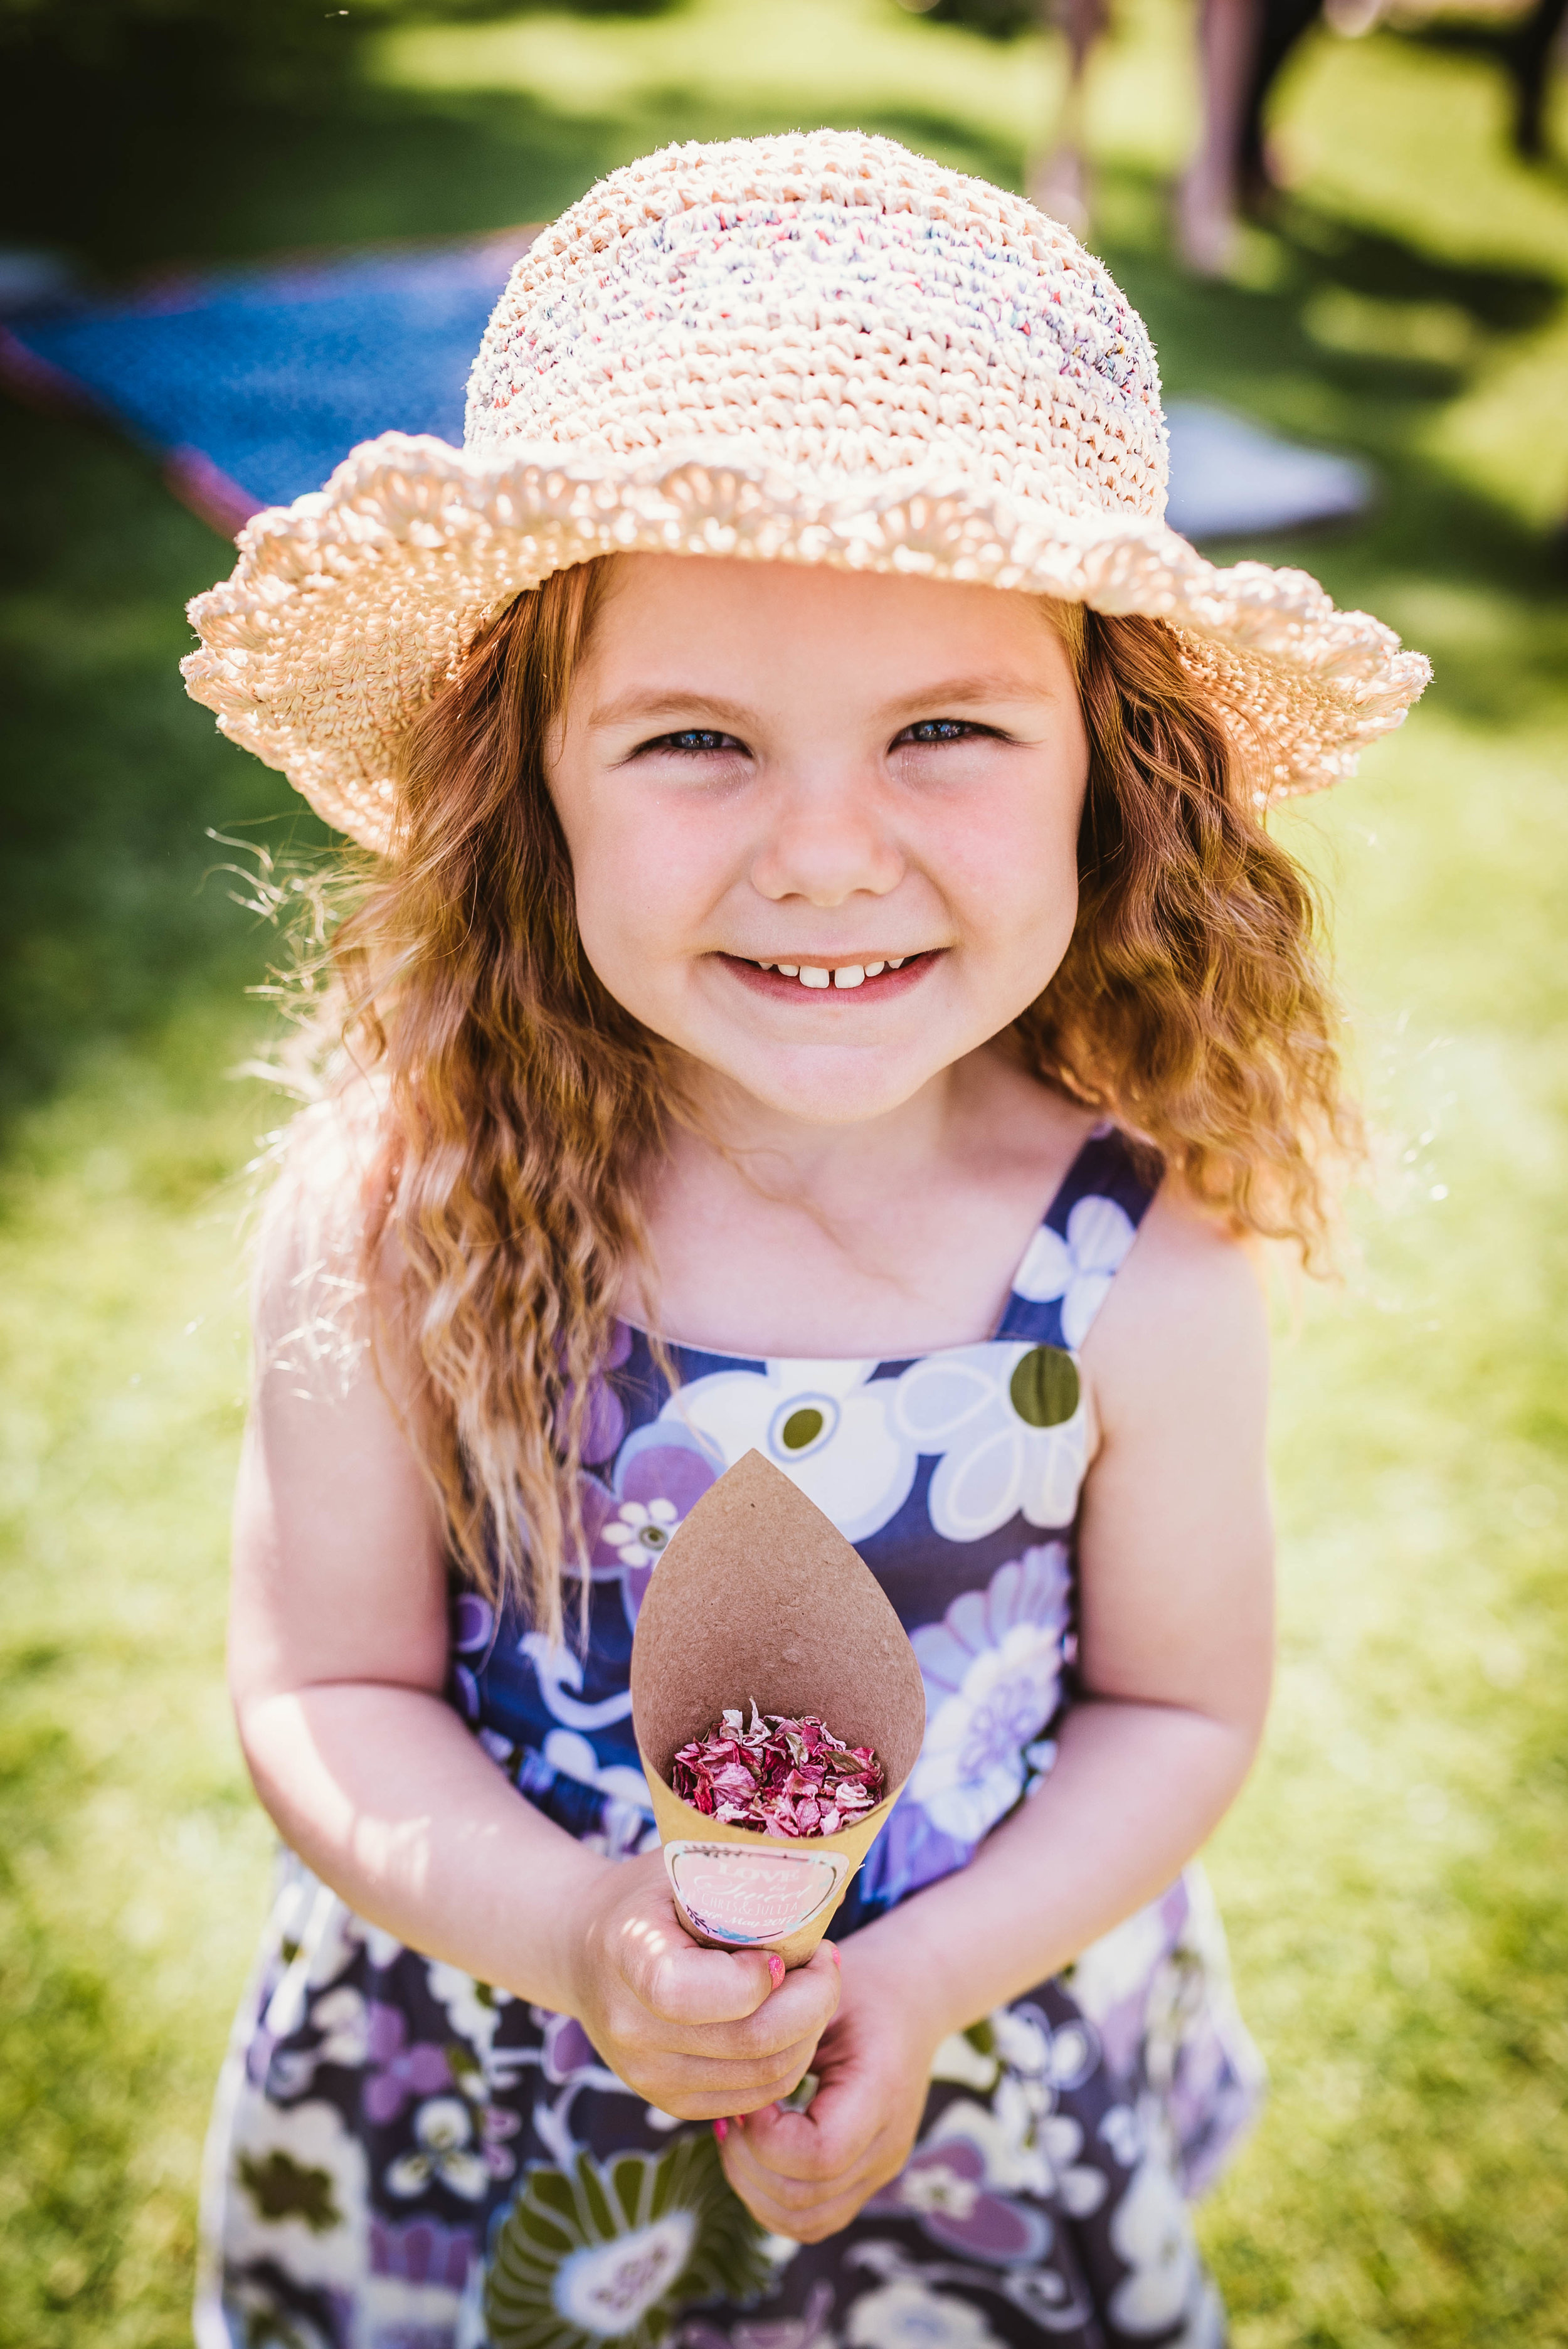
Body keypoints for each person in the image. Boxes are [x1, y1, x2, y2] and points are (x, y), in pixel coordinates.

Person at [182, 131, 1429, 2349]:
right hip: (482, 2095)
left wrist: (925, 1973)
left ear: (1110, 767)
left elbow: (1175, 1704)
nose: (827, 853)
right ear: (525, 782)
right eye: (696, 740)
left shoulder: (1130, 1261)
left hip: (973, 2090)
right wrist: (581, 1939)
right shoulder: (401, 1210)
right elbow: (325, 1684)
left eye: (943, 728)